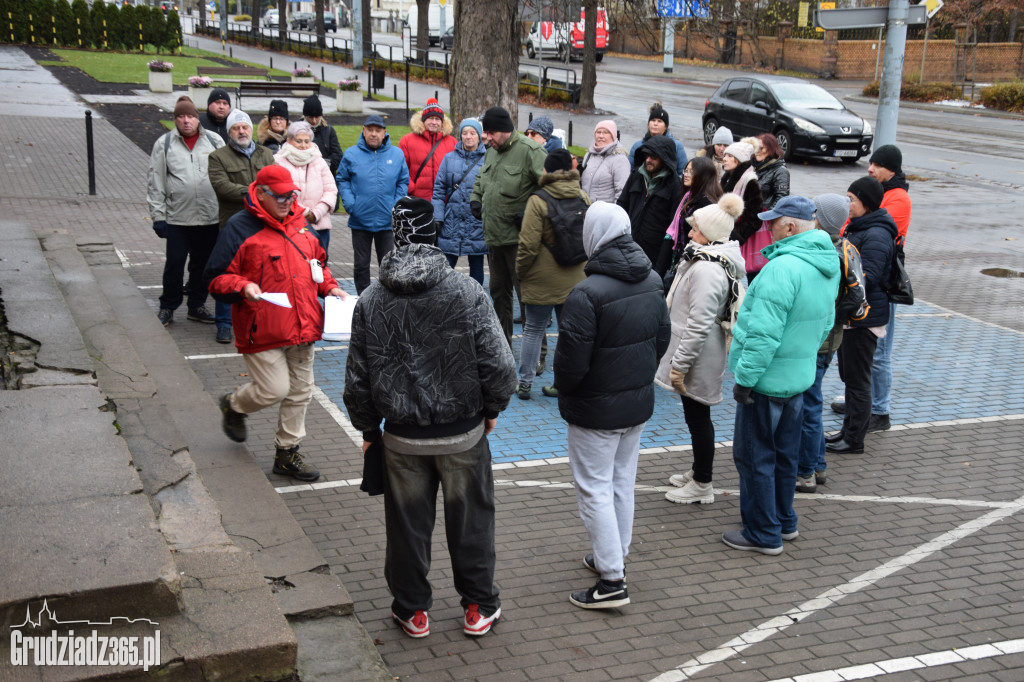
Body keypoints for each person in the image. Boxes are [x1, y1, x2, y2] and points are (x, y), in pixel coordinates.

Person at [342, 197, 517, 639]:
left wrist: (367, 430)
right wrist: (492, 409)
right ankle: (478, 606)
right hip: (462, 435)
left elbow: (357, 378)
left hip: (400, 439)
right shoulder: (467, 291)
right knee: (472, 521)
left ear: (396, 239)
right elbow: (500, 367)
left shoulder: (371, 300)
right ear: (433, 235)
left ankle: (412, 609)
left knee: (406, 528)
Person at [553, 201, 670, 609]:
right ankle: (614, 556)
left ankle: (612, 580)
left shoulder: (586, 293)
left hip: (595, 409)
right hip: (635, 403)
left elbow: (570, 363)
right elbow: (661, 339)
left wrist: (567, 393)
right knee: (621, 482)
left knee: (594, 489)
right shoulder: (653, 279)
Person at [205, 165, 347, 483]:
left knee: (300, 392)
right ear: (262, 193)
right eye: (280, 196)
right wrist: (242, 287)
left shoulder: (300, 224)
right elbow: (215, 278)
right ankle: (234, 404)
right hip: (261, 327)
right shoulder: (239, 228)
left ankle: (287, 454)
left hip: (303, 324)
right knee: (274, 389)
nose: (287, 201)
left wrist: (330, 287)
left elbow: (317, 265)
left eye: (291, 195)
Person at [726, 195, 839, 555]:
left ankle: (763, 532)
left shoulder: (782, 268)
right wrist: (802, 354)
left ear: (790, 226)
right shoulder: (826, 263)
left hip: (767, 380)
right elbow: (827, 324)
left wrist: (745, 379)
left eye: (773, 221)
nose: (767, 227)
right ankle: (783, 520)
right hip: (797, 377)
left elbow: (762, 334)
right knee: (785, 453)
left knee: (755, 455)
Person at [656, 194, 745, 505]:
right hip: (696, 353)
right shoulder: (704, 259)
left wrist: (679, 365)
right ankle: (698, 471)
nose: (690, 233)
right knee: (695, 415)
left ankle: (703, 483)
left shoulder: (708, 269)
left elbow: (699, 323)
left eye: (695, 229)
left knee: (698, 416)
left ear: (710, 234)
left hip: (698, 356)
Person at [796, 193, 864, 493]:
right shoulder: (846, 248)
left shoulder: (827, 257)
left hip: (819, 341)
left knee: (808, 408)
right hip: (830, 338)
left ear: (820, 220)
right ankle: (818, 465)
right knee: (812, 404)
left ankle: (807, 471)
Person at [842, 143, 911, 432]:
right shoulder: (882, 194)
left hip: (878, 290)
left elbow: (864, 227)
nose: (870, 168)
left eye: (876, 165)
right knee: (859, 363)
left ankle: (879, 410)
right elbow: (849, 224)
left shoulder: (898, 199)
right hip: (869, 290)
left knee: (879, 353)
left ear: (890, 168)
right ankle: (861, 403)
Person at [825, 177, 895, 456]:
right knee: (851, 378)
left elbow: (869, 276)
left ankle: (854, 439)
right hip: (855, 317)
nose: (848, 203)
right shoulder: (862, 227)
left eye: (852, 198)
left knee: (858, 381)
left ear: (866, 202)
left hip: (864, 318)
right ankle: (847, 430)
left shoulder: (876, 233)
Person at [515, 148, 589, 400]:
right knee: (568, 332)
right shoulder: (583, 196)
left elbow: (528, 244)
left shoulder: (538, 199)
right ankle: (562, 383)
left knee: (534, 329)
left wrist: (521, 271)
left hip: (541, 276)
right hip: (576, 275)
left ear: (546, 169)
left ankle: (524, 383)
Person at [470, 106, 547, 346]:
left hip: (520, 242)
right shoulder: (491, 151)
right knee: (499, 296)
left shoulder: (530, 151)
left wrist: (531, 213)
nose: (487, 138)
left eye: (491, 133)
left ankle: (536, 354)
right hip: (495, 239)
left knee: (528, 299)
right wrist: (475, 198)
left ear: (505, 130)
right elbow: (482, 178)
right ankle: (502, 348)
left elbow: (553, 188)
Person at [147, 95, 224, 327]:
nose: (186, 121)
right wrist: (158, 216)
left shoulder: (214, 141)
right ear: (175, 120)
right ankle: (168, 307)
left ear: (197, 118)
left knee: (202, 266)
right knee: (174, 264)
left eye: (190, 116)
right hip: (178, 218)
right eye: (180, 116)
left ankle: (196, 306)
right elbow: (156, 181)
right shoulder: (165, 143)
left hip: (210, 217)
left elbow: (227, 174)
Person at [208, 108, 276, 343]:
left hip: (263, 225)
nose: (241, 131)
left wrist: (265, 194)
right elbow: (221, 186)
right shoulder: (217, 157)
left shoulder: (266, 153)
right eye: (236, 128)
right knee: (229, 273)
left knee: (262, 272)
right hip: (233, 226)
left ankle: (262, 319)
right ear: (229, 132)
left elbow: (275, 181)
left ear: (251, 128)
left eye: (244, 127)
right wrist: (255, 192)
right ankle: (224, 323)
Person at [336, 114, 409, 294]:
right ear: (364, 130)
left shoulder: (396, 154)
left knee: (389, 264)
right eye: (370, 130)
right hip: (360, 220)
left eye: (378, 130)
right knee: (361, 265)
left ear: (385, 132)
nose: (374, 134)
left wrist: (395, 205)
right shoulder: (352, 154)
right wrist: (351, 204)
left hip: (387, 221)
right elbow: (342, 179)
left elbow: (403, 181)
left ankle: (386, 299)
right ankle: (363, 299)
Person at [432, 118, 487, 284]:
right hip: (451, 222)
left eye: (472, 133)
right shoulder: (449, 159)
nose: (468, 137)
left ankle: (475, 305)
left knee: (477, 270)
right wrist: (438, 218)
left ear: (479, 136)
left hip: (477, 223)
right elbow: (439, 191)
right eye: (464, 133)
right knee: (445, 271)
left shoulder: (488, 160)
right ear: (460, 136)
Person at [616, 135, 681, 276]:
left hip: (653, 256)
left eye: (654, 157)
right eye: (647, 155)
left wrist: (660, 267)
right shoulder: (636, 176)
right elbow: (621, 206)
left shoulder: (674, 186)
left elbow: (672, 229)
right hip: (628, 248)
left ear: (665, 159)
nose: (648, 160)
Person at [273, 121, 337, 258]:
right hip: (291, 226)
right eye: (299, 141)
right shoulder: (278, 161)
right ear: (289, 140)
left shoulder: (319, 161)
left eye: (307, 141)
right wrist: (305, 213)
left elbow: (331, 190)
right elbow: (280, 192)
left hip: (320, 225)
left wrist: (316, 213)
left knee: (321, 267)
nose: (303, 145)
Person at [661, 156, 723, 278]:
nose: (686, 174)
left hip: (695, 261)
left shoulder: (707, 203)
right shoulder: (688, 197)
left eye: (691, 172)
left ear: (703, 175)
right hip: (682, 256)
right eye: (686, 170)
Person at [720, 141, 765, 283]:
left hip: (736, 243)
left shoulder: (749, 180)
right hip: (726, 238)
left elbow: (755, 217)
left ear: (738, 159)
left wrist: (736, 235)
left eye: (729, 155)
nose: (724, 158)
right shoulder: (728, 177)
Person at [399, 97, 455, 200]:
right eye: (430, 118)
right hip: (416, 199)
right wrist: (411, 188)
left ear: (442, 122)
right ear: (423, 120)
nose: (434, 122)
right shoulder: (407, 141)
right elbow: (401, 169)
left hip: (443, 200)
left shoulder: (452, 142)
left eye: (437, 119)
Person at [628, 102, 687, 176]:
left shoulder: (676, 146)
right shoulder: (638, 145)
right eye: (653, 120)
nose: (655, 124)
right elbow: (629, 170)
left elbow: (683, 173)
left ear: (665, 127)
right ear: (648, 124)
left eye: (659, 121)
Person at [579, 119, 630, 204]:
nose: (601, 136)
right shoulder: (589, 154)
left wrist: (613, 213)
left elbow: (622, 192)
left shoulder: (620, 159)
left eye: (606, 132)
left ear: (613, 136)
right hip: (585, 210)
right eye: (598, 132)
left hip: (605, 213)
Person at [302, 94, 343, 176]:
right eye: (310, 117)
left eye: (317, 117)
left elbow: (338, 155)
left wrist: (326, 165)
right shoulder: (297, 130)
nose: (314, 121)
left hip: (326, 174)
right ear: (305, 116)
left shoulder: (329, 130)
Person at [752, 133, 790, 211]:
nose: (757, 151)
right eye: (755, 148)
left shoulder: (781, 171)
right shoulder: (754, 166)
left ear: (771, 149)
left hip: (764, 218)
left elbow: (781, 200)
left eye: (761, 148)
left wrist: (766, 217)